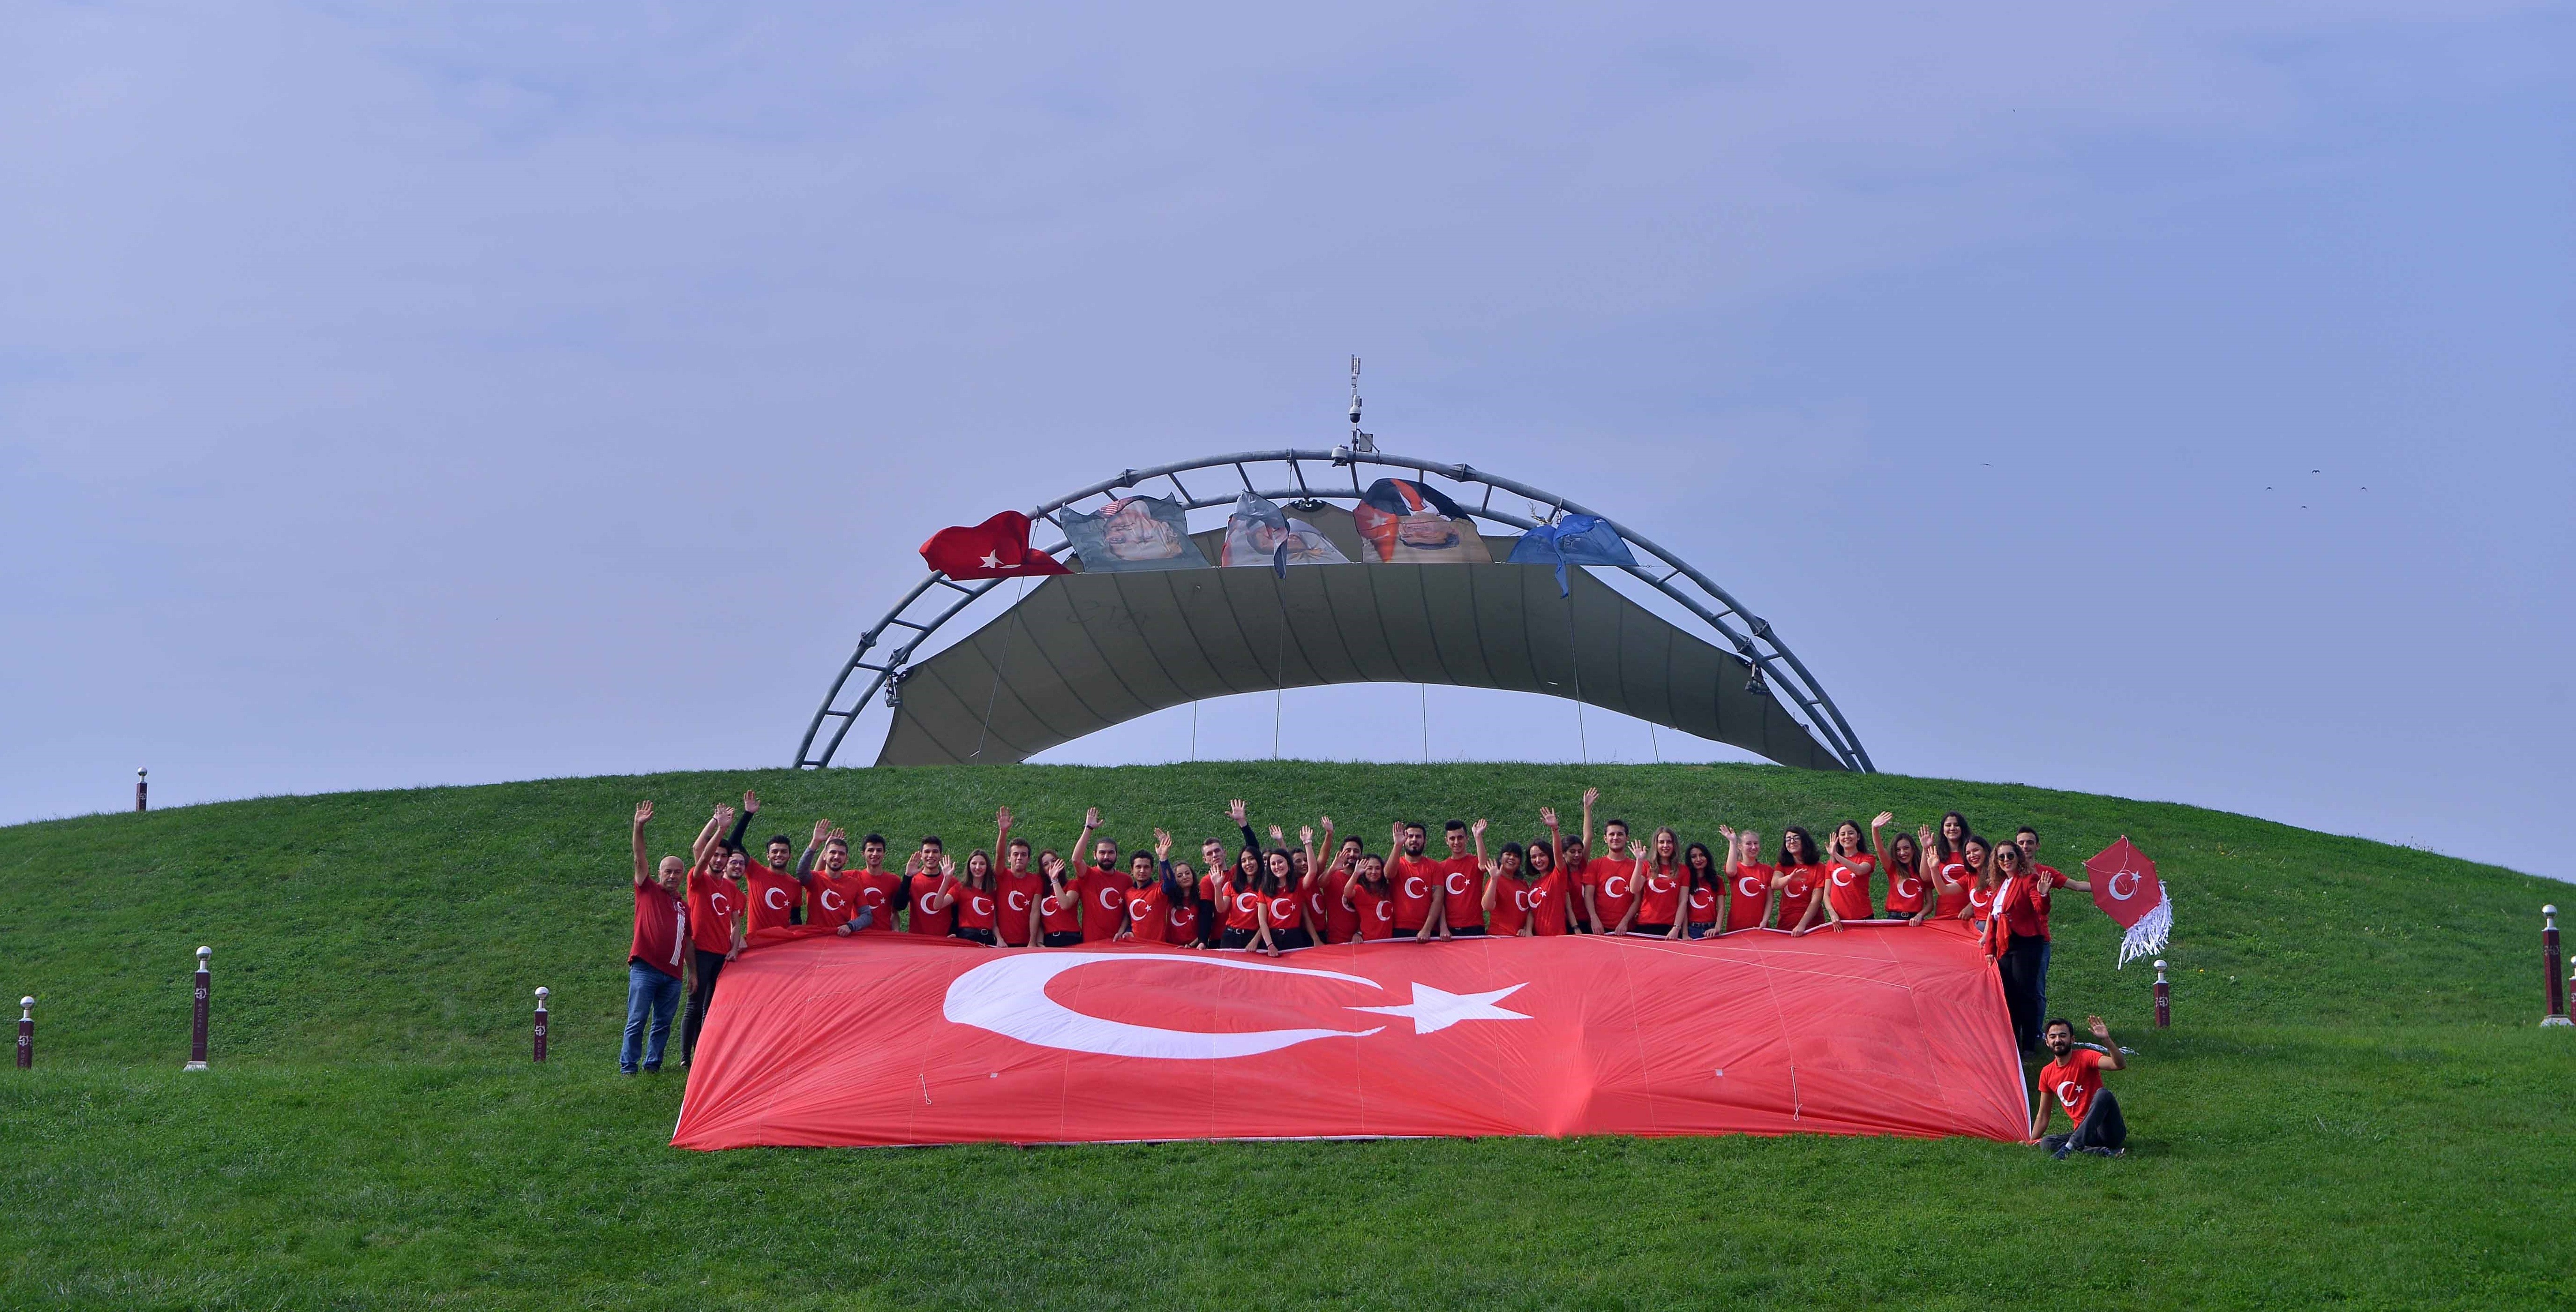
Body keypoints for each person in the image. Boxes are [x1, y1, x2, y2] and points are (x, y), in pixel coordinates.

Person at [623, 801, 691, 1075]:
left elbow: (688, 942)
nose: (672, 876)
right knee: (637, 1019)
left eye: (677, 872)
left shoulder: (683, 906)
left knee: (663, 1022)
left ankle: (653, 1066)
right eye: (668, 871)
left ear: (682, 875)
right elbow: (639, 856)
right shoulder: (647, 890)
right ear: (659, 873)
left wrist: (692, 974)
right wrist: (638, 826)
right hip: (646, 968)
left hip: (673, 975)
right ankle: (629, 1068)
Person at [679, 808, 748, 1070]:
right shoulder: (698, 880)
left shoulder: (732, 889)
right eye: (716, 855)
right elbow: (699, 848)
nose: (719, 860)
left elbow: (736, 922)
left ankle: (704, 1054)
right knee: (694, 1005)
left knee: (712, 1007)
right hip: (700, 950)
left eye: (724, 856)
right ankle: (686, 1057)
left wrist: (733, 949)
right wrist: (718, 826)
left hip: (721, 954)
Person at [2015, 825, 2089, 1023]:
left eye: (2030, 842)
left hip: (2040, 940)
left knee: (2037, 988)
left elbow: (2078, 886)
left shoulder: (2045, 873)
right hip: (2012, 939)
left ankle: (2037, 1033)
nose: (2025, 847)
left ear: (2038, 846)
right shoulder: (2008, 870)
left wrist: (2112, 886)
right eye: (2021, 843)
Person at [2034, 1016, 2129, 1158]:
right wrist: (2031, 1140)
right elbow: (2043, 1116)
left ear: (2072, 1040)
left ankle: (2071, 1146)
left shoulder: (2086, 1057)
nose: (2058, 1040)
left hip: (2108, 1130)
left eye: (2063, 1035)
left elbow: (2119, 1065)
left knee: (2103, 1094)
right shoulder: (2047, 1073)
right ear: (2047, 1042)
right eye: (2053, 1037)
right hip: (2085, 1135)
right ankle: (2099, 1152)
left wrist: (2106, 1039)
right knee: (2047, 1143)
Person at [1988, 842, 2050, 1048]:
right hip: (2005, 944)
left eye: (2010, 856)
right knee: (2009, 995)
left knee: (2026, 993)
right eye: (2001, 857)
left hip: (2026, 943)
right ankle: (2014, 1041)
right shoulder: (2000, 887)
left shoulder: (2029, 880)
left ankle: (2029, 1044)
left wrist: (2043, 894)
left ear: (2018, 857)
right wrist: (1990, 951)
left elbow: (2041, 909)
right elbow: (1993, 921)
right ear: (1996, 862)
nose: (2006, 860)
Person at [721, 791, 805, 933]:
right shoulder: (756, 872)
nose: (779, 855)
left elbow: (796, 919)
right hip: (756, 942)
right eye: (775, 852)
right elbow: (733, 843)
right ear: (768, 856)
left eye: (783, 852)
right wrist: (748, 814)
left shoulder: (795, 885)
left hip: (781, 943)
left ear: (790, 856)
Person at [1812, 816, 1883, 932]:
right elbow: (1826, 895)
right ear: (1838, 839)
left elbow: (1860, 870)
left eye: (1851, 833)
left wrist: (1836, 855)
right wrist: (1832, 913)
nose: (1847, 837)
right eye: (1843, 834)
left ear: (1858, 837)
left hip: (1863, 918)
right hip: (1839, 921)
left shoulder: (1868, 858)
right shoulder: (1831, 863)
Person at [1071, 807, 1126, 944]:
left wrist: (1122, 931)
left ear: (1117, 855)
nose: (1106, 856)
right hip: (1092, 943)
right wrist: (1088, 828)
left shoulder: (1126, 880)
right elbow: (1076, 860)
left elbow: (1127, 912)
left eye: (1111, 853)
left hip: (1118, 943)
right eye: (1102, 853)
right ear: (1095, 855)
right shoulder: (1088, 875)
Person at [992, 809, 1044, 948]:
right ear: (1010, 858)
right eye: (1015, 854)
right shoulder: (1002, 875)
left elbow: (1035, 912)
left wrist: (1032, 941)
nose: (1019, 858)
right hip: (1002, 942)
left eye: (1023, 855)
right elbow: (999, 856)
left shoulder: (1036, 880)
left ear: (1029, 859)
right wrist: (1003, 832)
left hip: (1026, 943)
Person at [1587, 811, 1643, 936]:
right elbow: (1589, 895)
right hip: (1600, 928)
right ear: (1605, 838)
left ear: (1627, 838)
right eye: (1612, 834)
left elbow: (1637, 899)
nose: (1616, 838)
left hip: (1627, 930)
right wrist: (1593, 918)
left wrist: (1625, 921)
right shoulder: (1595, 865)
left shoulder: (1636, 866)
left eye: (1620, 834)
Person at [1386, 821, 1441, 940]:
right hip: (1399, 929)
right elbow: (1389, 875)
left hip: (1428, 931)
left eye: (1418, 837)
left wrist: (1427, 929)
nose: (1414, 840)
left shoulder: (1434, 867)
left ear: (1425, 842)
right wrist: (1397, 845)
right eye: (1410, 836)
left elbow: (1438, 900)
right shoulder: (1397, 863)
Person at [1717, 825, 1776, 933]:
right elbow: (1730, 871)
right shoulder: (1736, 868)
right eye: (1749, 844)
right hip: (1736, 926)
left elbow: (1770, 899)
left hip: (1760, 927)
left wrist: (1765, 921)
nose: (1753, 847)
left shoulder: (1767, 870)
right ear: (1740, 847)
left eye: (1756, 843)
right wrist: (1732, 842)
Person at [1437, 820, 1487, 938]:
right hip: (1450, 929)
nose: (1456, 842)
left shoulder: (1475, 862)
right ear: (1446, 841)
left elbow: (1484, 866)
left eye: (1460, 838)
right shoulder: (1441, 868)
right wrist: (1443, 927)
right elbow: (1439, 900)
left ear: (1467, 839)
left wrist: (1478, 836)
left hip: (1475, 926)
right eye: (1452, 839)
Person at [1633, 826, 1684, 938]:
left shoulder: (1683, 870)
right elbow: (1635, 889)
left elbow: (1683, 902)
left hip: (1670, 927)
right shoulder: (1647, 866)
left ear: (1674, 845)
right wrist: (1639, 861)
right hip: (1645, 924)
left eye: (1669, 842)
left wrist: (1676, 928)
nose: (1665, 846)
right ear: (1656, 845)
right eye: (1662, 842)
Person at [1878, 818, 1930, 926]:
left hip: (1915, 920)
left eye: (1906, 848)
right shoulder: (1893, 868)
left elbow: (1930, 904)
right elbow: (1880, 850)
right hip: (1893, 919)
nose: (1902, 853)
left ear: (1913, 849)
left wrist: (1919, 916)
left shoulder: (1923, 872)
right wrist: (1875, 829)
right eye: (1898, 850)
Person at [849, 833, 903, 935]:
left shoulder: (894, 880)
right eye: (871, 850)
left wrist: (896, 932)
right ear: (863, 853)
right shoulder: (853, 877)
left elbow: (895, 912)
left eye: (879, 850)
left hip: (883, 936)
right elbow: (821, 876)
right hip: (858, 936)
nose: (875, 854)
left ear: (884, 854)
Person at [1527, 815, 1572, 937]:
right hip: (1538, 939)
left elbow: (1557, 853)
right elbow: (1533, 911)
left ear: (1549, 856)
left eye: (1542, 855)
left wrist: (1555, 830)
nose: (1538, 860)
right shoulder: (1534, 884)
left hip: (1557, 937)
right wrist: (1528, 930)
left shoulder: (1558, 876)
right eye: (1534, 857)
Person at [1775, 826, 1825, 933]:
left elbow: (1816, 900)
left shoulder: (1819, 868)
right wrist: (1790, 878)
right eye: (1788, 839)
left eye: (1796, 838)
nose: (1792, 842)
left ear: (1805, 841)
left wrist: (1802, 925)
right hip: (1786, 924)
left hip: (1812, 926)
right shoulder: (1781, 866)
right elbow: (1775, 884)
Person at [1118, 844, 1171, 944]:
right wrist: (1124, 932)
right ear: (1132, 870)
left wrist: (1163, 858)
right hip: (1136, 948)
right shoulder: (1128, 893)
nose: (1142, 871)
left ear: (1152, 870)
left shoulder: (1159, 890)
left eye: (1146, 867)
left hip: (1157, 947)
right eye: (1138, 867)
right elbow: (1130, 917)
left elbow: (1170, 884)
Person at [947, 850, 1002, 946]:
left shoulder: (992, 892)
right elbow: (937, 905)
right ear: (969, 866)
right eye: (974, 863)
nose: (978, 867)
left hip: (988, 939)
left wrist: (999, 938)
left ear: (987, 867)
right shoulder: (960, 888)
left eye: (982, 864)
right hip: (967, 937)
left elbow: (994, 923)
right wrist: (946, 879)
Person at [1483, 840, 1534, 937]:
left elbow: (1530, 911)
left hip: (1519, 939)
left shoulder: (1523, 884)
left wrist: (1526, 929)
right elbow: (1487, 906)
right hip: (1499, 937)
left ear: (1520, 863)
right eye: (1508, 854)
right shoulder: (1495, 881)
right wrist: (1494, 879)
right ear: (1501, 858)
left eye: (1516, 856)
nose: (1512, 858)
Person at [1341, 853, 1396, 942]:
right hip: (1368, 942)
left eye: (1378, 868)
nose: (1374, 872)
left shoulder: (1388, 889)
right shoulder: (1360, 890)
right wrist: (1356, 873)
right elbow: (1347, 893)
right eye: (1370, 868)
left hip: (1388, 942)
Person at [904, 851, 959, 937]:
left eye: (935, 852)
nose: (931, 855)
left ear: (941, 856)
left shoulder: (952, 882)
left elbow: (958, 913)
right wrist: (907, 877)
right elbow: (899, 906)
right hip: (917, 939)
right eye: (927, 852)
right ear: (921, 856)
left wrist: (954, 931)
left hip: (944, 939)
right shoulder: (913, 880)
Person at [1037, 852, 1085, 946]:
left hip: (1070, 938)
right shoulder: (1042, 891)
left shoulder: (1072, 884)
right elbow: (1039, 920)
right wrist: (1040, 942)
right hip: (1050, 940)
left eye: (1053, 861)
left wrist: (1055, 880)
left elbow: (1065, 904)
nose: (1051, 865)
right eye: (1046, 864)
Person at [1682, 841, 1721, 938]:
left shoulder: (1717, 880)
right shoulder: (1686, 880)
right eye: (1694, 857)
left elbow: (1721, 908)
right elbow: (1684, 908)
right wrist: (1685, 933)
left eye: (1702, 855)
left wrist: (1717, 928)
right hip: (1692, 930)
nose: (1699, 859)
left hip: (1711, 929)